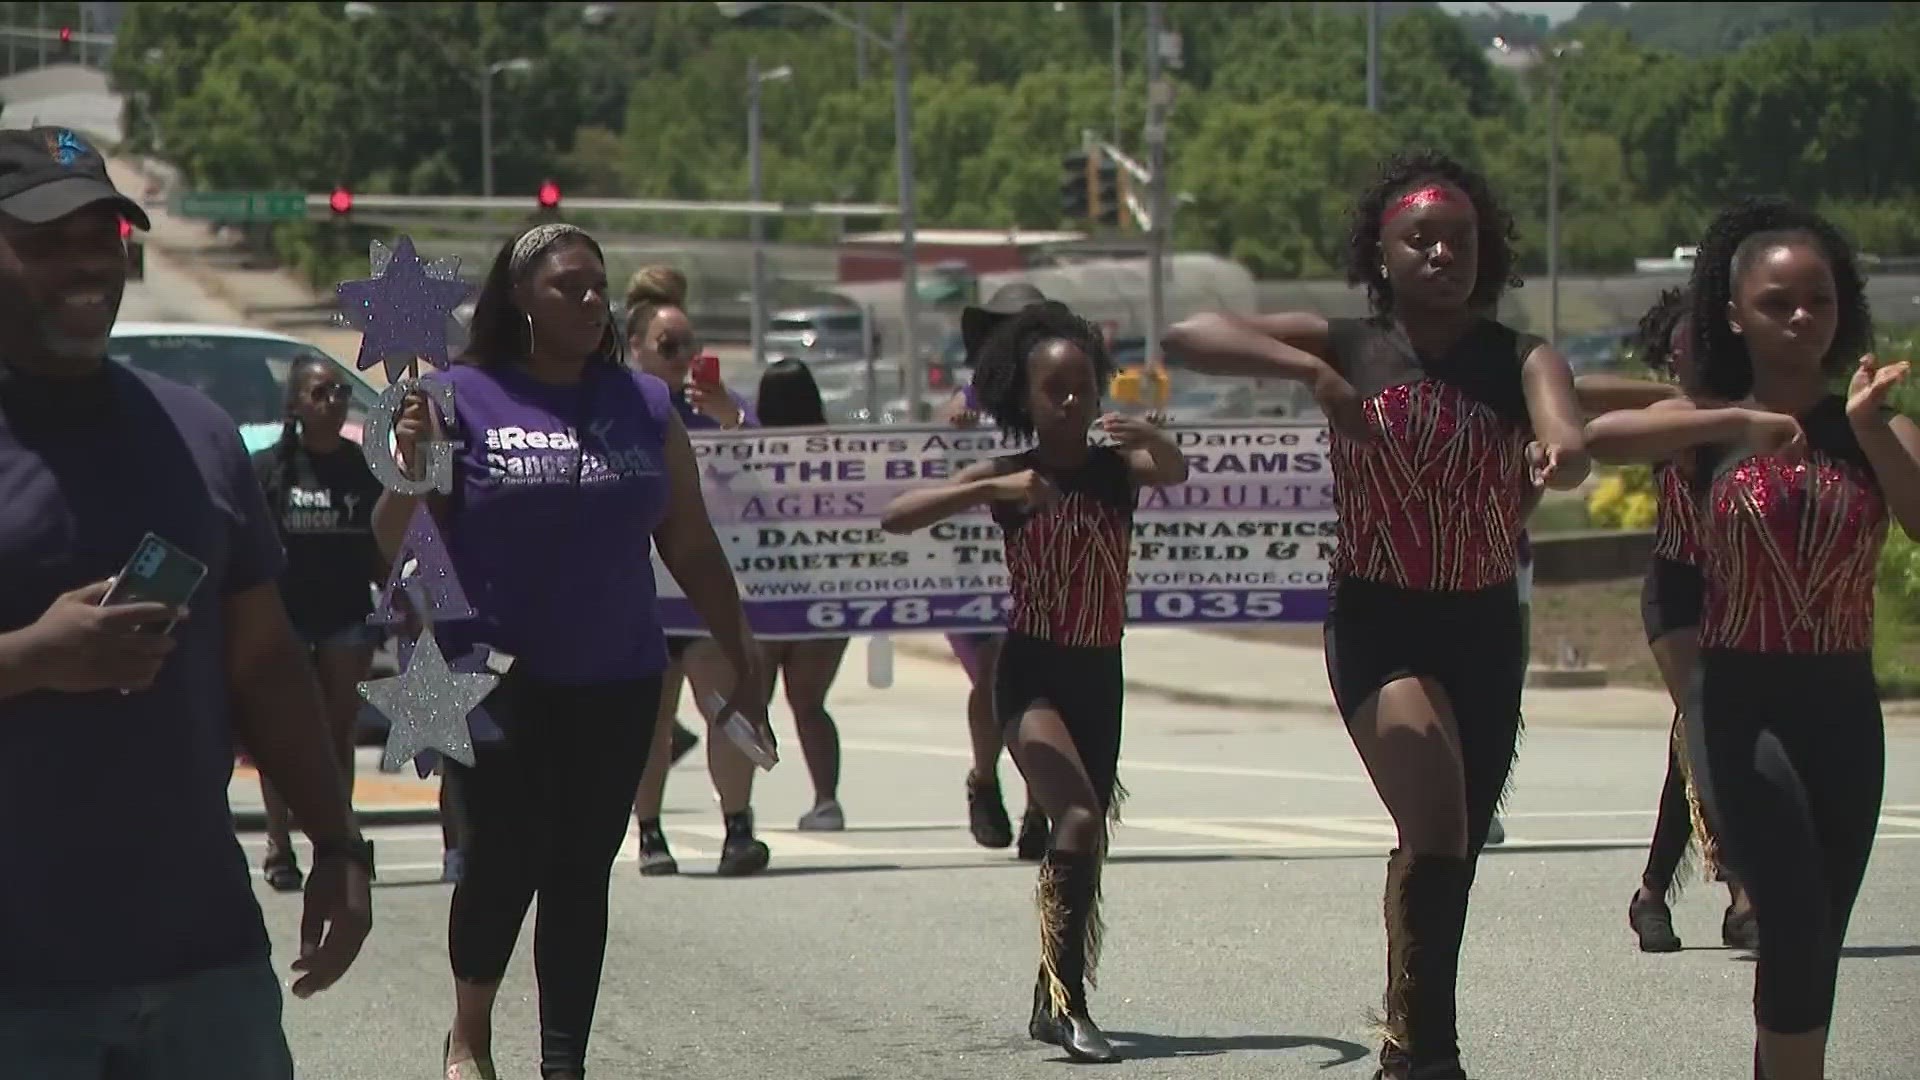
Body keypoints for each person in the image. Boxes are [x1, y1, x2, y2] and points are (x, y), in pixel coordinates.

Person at [1165, 151, 1591, 1080]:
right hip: (1378, 618)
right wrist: (1308, 373)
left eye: (1461, 240)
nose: (1443, 253)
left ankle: (1409, 1032)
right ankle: (1430, 1057)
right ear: (1383, 253)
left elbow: (1567, 433)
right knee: (1434, 814)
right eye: (1421, 239)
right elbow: (1187, 335)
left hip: (1483, 625)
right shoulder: (1352, 345)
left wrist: (1561, 454)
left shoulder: (1520, 357)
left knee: (1453, 851)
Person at [0, 125, 370, 1076]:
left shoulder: (198, 436)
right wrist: (32, 657)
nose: (87, 263)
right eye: (47, 240)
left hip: (203, 964)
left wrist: (336, 843)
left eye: (103, 236)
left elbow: (264, 662)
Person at [374, 225, 769, 1080]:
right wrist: (409, 465)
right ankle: (470, 1034)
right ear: (519, 299)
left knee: (582, 870)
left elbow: (692, 544)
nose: (592, 302)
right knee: (505, 855)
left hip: (617, 674)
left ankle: (564, 1064)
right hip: (495, 676)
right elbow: (397, 542)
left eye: (599, 287)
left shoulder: (645, 405)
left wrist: (742, 651)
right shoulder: (455, 397)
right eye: (570, 288)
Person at [1584, 198, 1915, 1080]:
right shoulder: (1706, 424)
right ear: (1733, 314)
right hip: (1738, 705)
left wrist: (1877, 428)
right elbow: (1593, 437)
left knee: (1815, 946)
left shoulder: (1870, 423)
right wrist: (1727, 422)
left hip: (1845, 709)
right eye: (1778, 301)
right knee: (1792, 912)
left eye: (1820, 299)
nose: (1802, 316)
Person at [883, 302, 1188, 1063]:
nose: (1072, 400)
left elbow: (1174, 469)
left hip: (1099, 672)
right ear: (1023, 396)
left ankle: (1050, 991)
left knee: (1083, 838)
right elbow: (899, 515)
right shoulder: (1009, 475)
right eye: (1054, 388)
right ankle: (1070, 1006)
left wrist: (1152, 433)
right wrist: (994, 491)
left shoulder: (1116, 470)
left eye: (1084, 385)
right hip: (1032, 672)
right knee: (1078, 817)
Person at [1601, 287, 1759, 954]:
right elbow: (1581, 391)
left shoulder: (1757, 411)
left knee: (1695, 740)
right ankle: (1745, 891)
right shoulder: (1665, 412)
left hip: (1740, 596)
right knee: (1704, 720)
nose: (1682, 359)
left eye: (1695, 345)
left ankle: (1651, 891)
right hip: (1676, 592)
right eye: (1673, 351)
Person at [621, 265, 773, 875]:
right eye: (668, 346)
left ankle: (737, 830)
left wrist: (732, 421)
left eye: (690, 346)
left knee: (724, 704)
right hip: (641, 592)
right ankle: (650, 832)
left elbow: (771, 473)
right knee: (652, 721)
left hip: (704, 587)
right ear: (635, 348)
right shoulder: (618, 404)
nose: (683, 357)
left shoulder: (721, 407)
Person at [250, 352, 388, 892]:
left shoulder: (362, 467)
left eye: (340, 392)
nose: (334, 401)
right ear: (296, 405)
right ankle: (279, 844)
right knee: (281, 733)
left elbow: (382, 547)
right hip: (282, 618)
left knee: (337, 734)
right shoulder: (268, 469)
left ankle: (338, 840)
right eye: (321, 393)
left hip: (346, 616)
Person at [949, 283, 1053, 860]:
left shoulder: (1062, 388)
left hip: (1045, 558)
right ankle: (984, 780)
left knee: (1043, 681)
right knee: (991, 675)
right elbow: (936, 453)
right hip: (975, 565)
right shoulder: (972, 402)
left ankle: (1041, 803)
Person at [754, 357, 855, 828]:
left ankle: (738, 804)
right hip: (824, 597)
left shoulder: (749, 453)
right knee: (811, 704)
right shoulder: (840, 454)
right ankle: (826, 799)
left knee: (752, 702)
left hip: (761, 596)